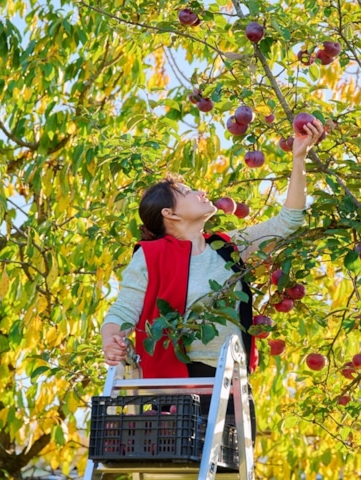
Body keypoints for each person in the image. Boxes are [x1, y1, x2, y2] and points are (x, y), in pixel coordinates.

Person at [100, 119, 325, 433]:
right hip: (182, 384)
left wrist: (299, 159)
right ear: (170, 214)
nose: (201, 192)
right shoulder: (151, 256)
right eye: (187, 191)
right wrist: (111, 341)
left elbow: (288, 221)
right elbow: (122, 313)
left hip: (232, 384)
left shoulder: (227, 247)